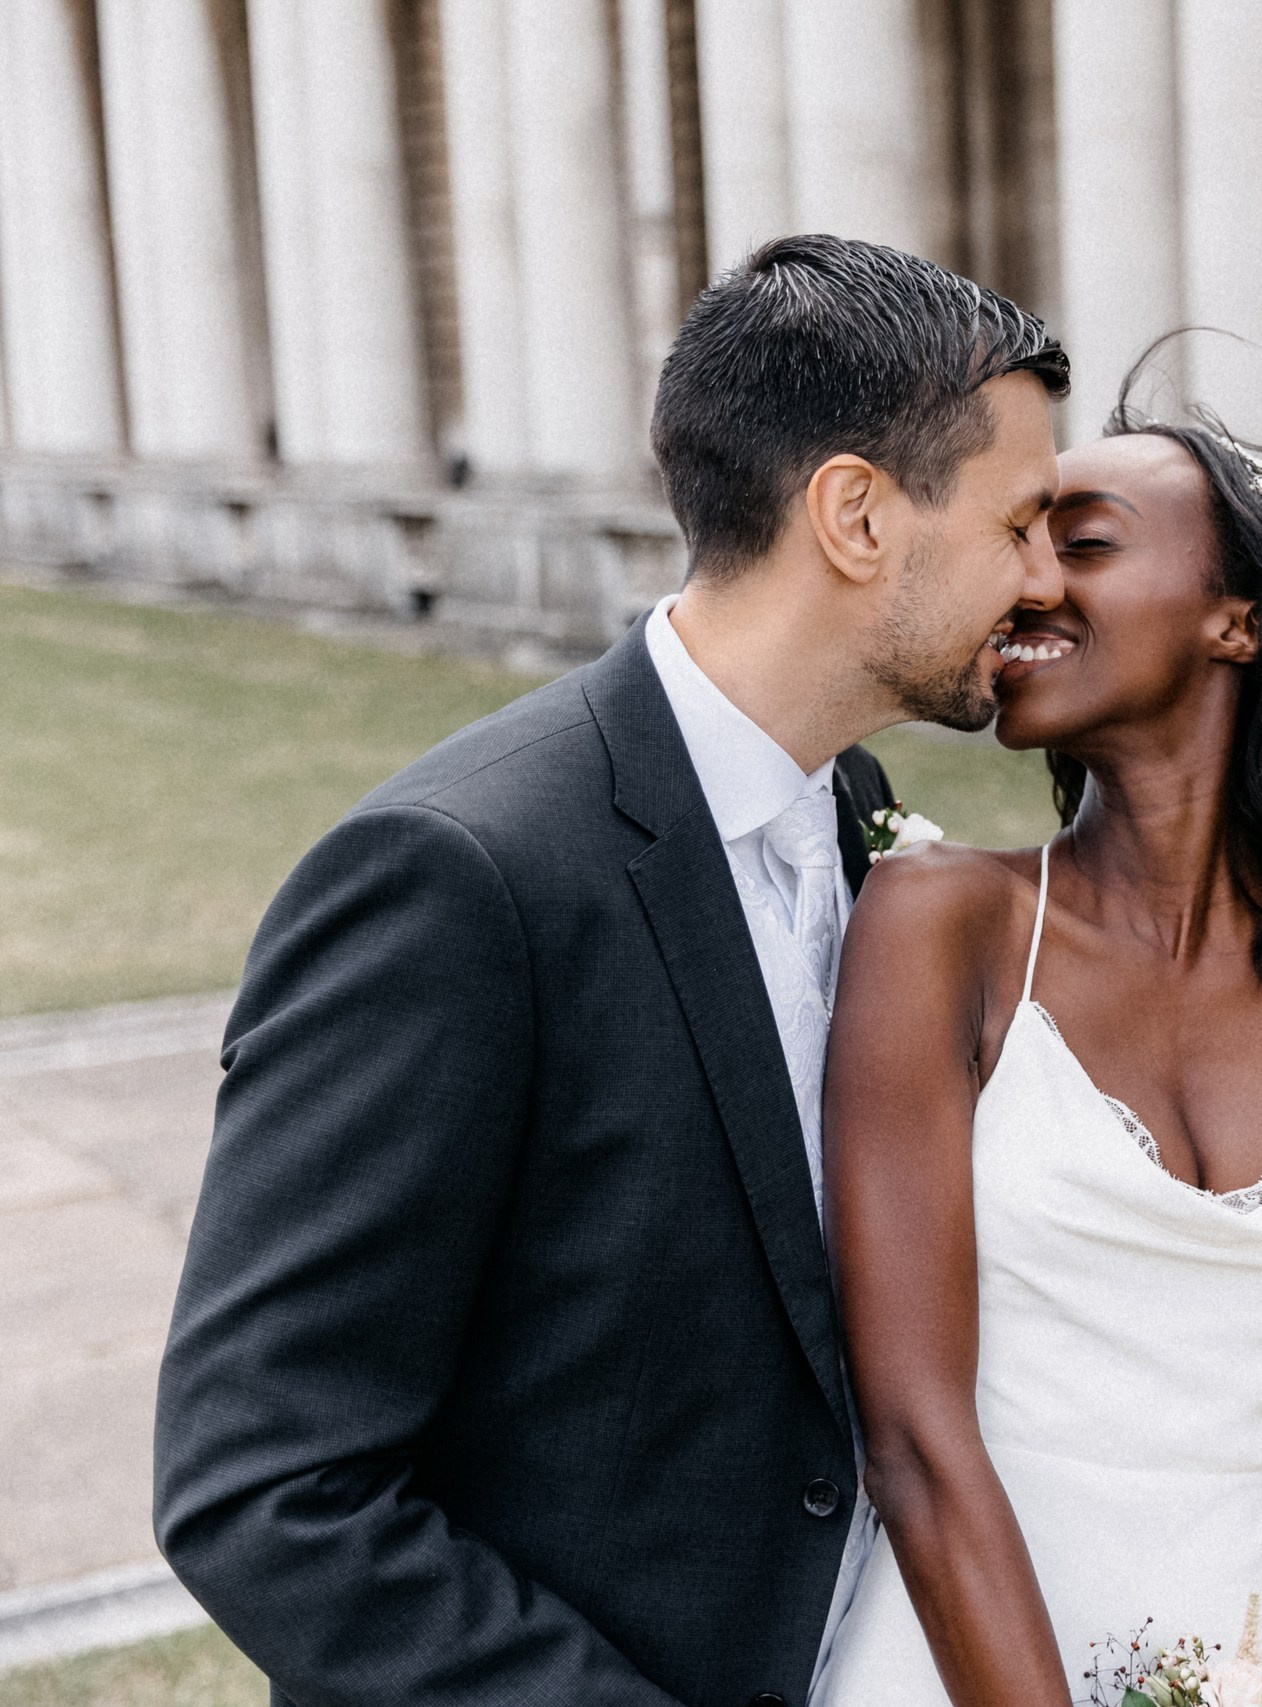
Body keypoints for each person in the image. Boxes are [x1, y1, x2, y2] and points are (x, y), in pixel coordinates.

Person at [152, 236, 1068, 1706]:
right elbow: (265, 1490)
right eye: (1021, 523)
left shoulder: (854, 818)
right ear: (856, 516)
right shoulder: (455, 880)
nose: (1042, 580)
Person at [819, 406, 1262, 1704]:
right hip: (956, 1670)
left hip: (1253, 1666)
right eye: (1020, 541)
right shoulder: (945, 926)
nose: (1029, 579)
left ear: (1238, 620)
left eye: (1082, 543)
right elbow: (919, 1442)